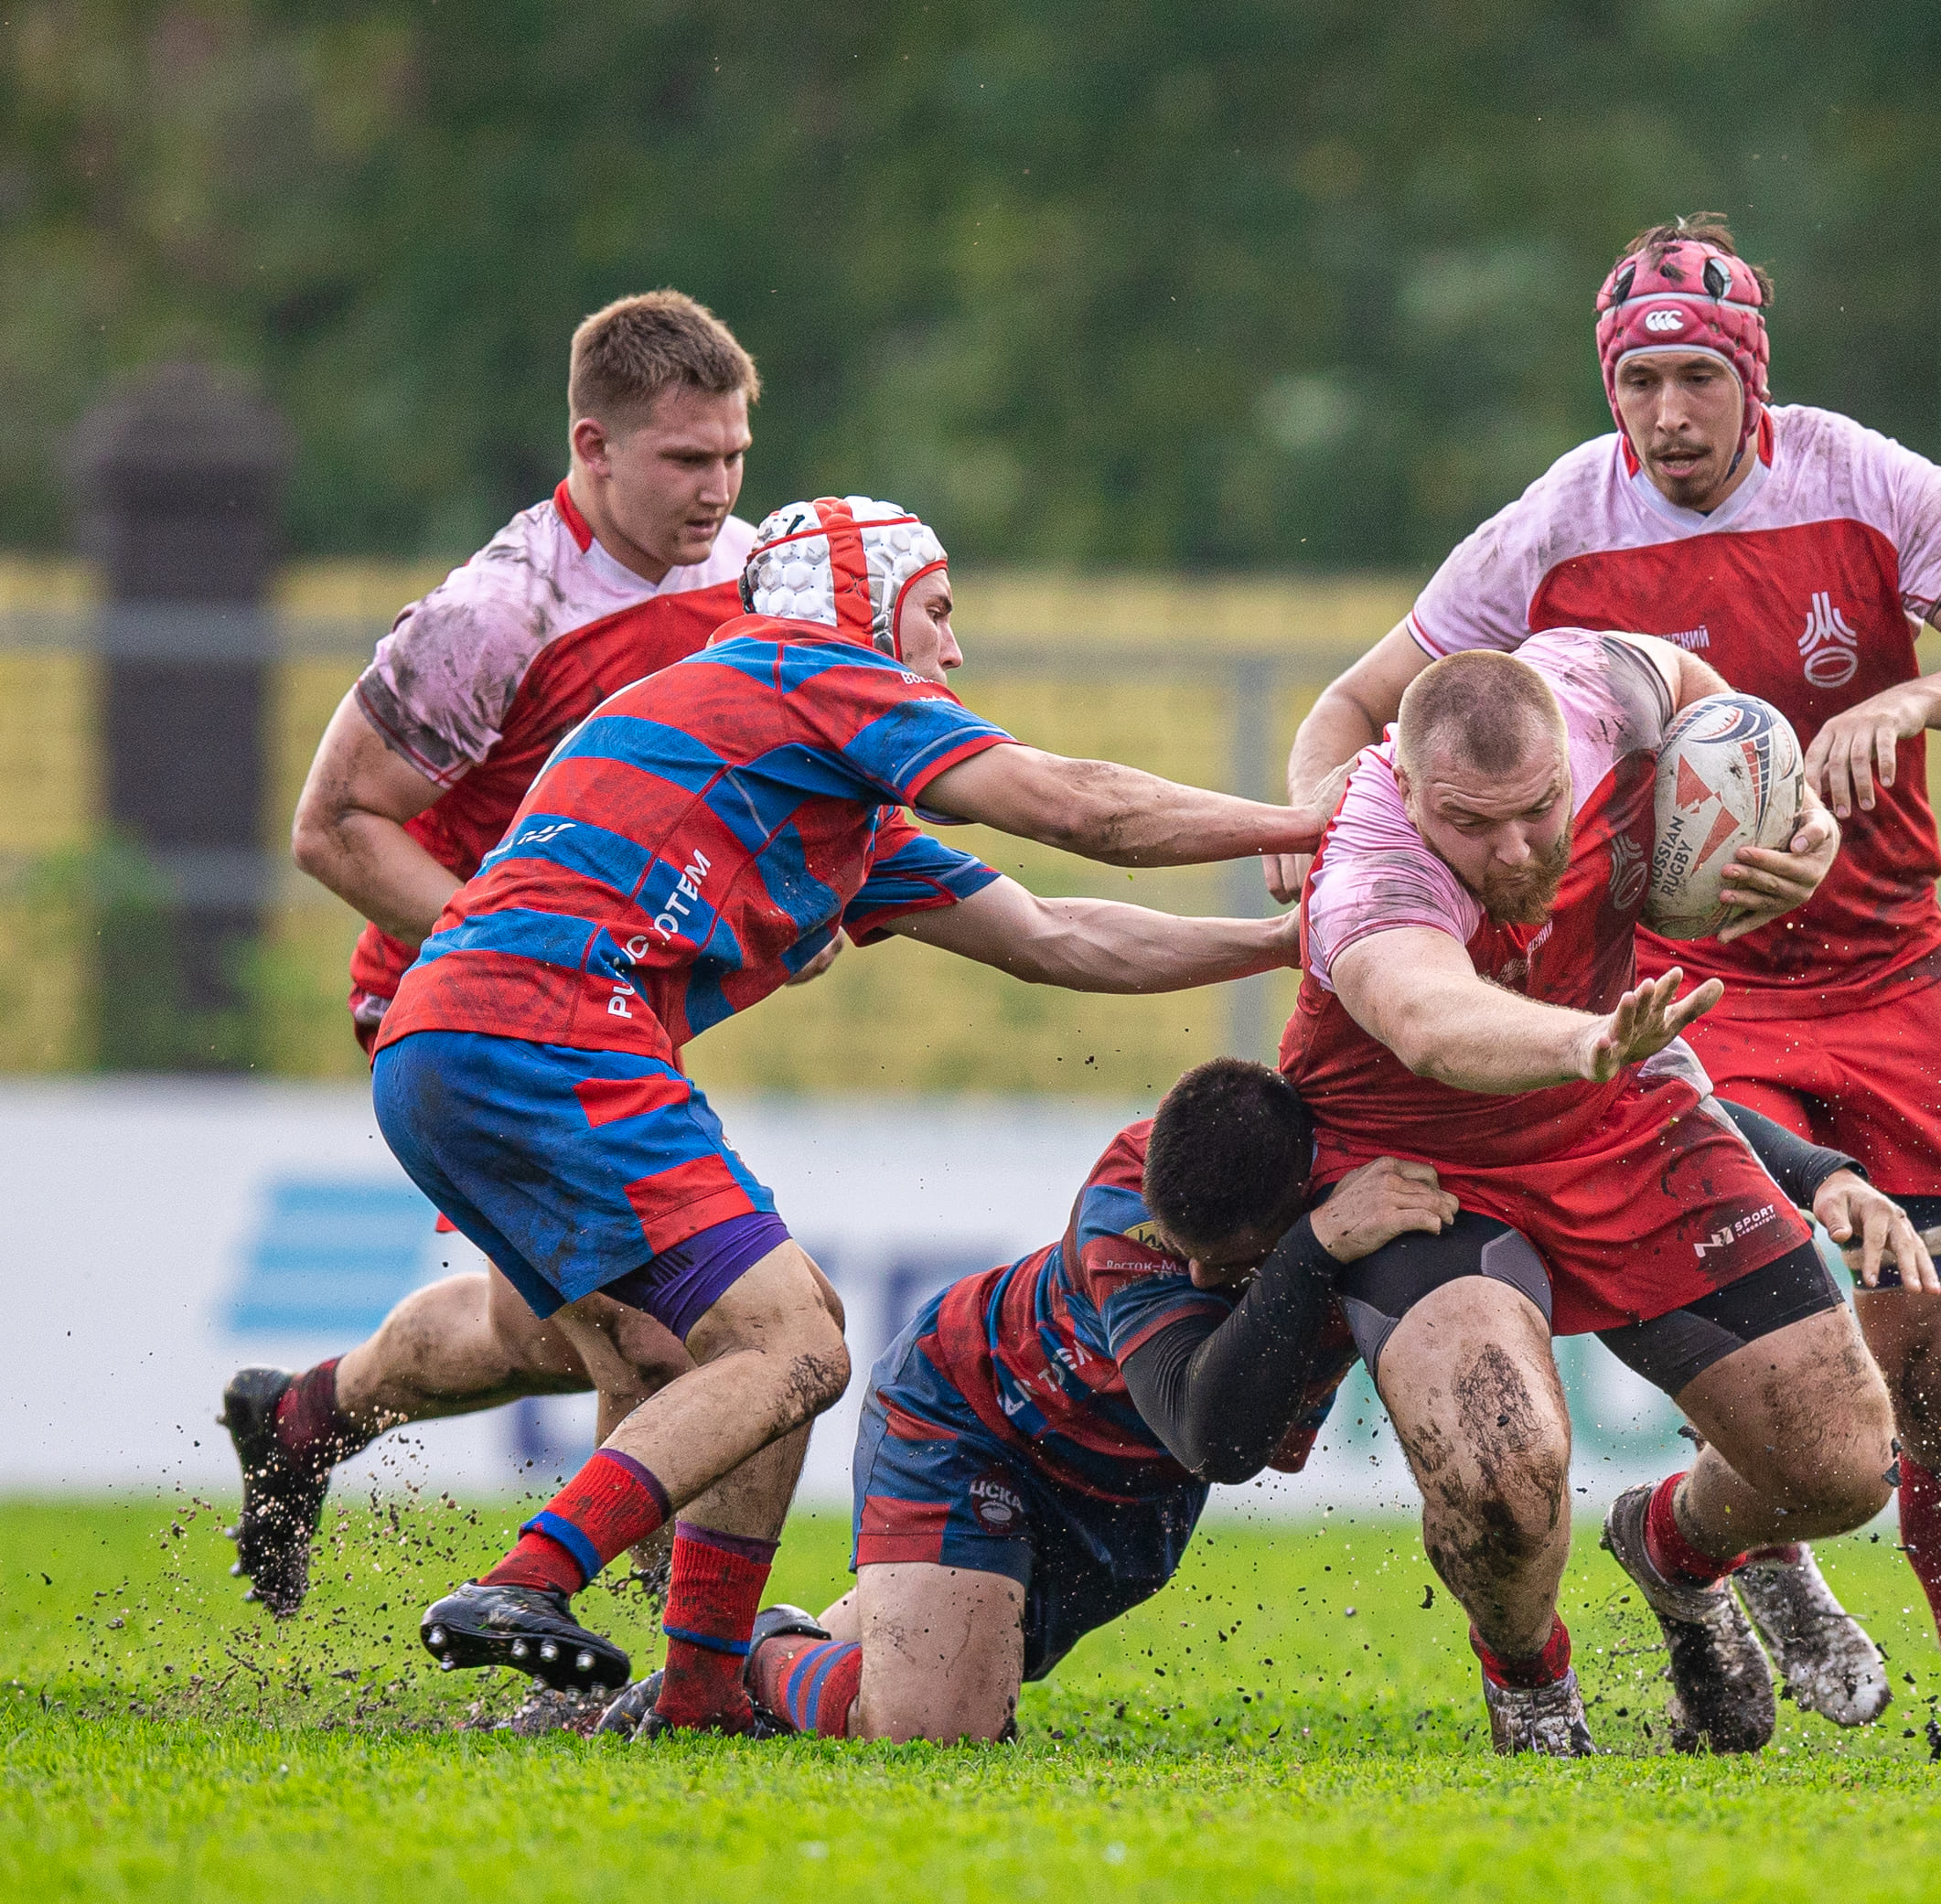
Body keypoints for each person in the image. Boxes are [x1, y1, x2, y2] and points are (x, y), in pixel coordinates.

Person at [1271, 217, 1941, 1761]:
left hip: (1883, 974)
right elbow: (1347, 708)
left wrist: (1912, 694)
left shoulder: (1866, 482)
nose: (1665, 416)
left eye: (1694, 381)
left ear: (1751, 379)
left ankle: (1753, 1584)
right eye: (1637, 381)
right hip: (1676, 990)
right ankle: (1727, 1559)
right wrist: (1321, 835)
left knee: (1934, 1363)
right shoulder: (1552, 525)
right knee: (1797, 1346)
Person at [381, 494, 1333, 1736]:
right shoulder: (805, 669)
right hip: (551, 1025)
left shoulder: (818, 792)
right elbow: (1076, 807)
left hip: (451, 1036)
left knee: (769, 1341)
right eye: (935, 613)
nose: (950, 653)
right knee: (797, 1347)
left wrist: (1283, 941)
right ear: (860, 603)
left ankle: (708, 1687)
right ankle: (524, 1581)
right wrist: (1319, 820)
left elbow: (1056, 935)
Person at [599, 1059, 1917, 1749]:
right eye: (1198, 1257)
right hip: (977, 1421)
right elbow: (1212, 1436)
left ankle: (857, 1638)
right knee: (934, 1728)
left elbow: (1611, 1113)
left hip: (1123, 1500)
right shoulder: (1132, 1218)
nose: (1196, 1275)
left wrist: (1814, 1167)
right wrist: (1313, 1253)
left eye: (1222, 1262)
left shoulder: (1344, 1147)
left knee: (955, 1685)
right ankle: (754, 1653)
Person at [1279, 629, 1929, 1758]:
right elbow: (1431, 1023)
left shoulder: (1595, 687)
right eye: (1468, 824)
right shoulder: (1369, 861)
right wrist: (1587, 1039)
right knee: (1501, 1477)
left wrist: (1794, 817)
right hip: (1421, 1166)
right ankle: (1529, 1676)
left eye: (1536, 809)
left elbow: (1699, 692)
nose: (1513, 846)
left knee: (1836, 1467)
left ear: (1565, 755)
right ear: (1410, 788)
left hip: (1613, 1116)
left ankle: (1676, 1552)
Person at [225, 288, 764, 1624]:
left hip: (600, 1007)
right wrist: (520, 950)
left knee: (546, 1335)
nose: (717, 488)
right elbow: (334, 825)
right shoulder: (498, 609)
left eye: (735, 454)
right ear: (592, 445)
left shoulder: (749, 573)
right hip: (465, 1001)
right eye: (685, 460)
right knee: (658, 1328)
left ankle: (307, 1416)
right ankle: (658, 1657)